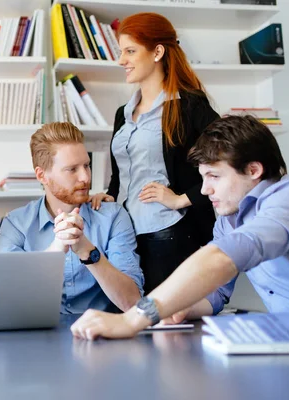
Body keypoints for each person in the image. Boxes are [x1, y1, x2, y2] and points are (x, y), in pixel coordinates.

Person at [70, 115, 289, 340]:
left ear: (253, 170)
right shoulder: (229, 219)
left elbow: (222, 258)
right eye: (203, 178)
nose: (205, 190)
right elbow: (217, 292)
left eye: (214, 176)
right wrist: (182, 307)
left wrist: (133, 318)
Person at [90, 13, 219, 294]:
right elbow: (123, 176)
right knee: (129, 320)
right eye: (121, 51)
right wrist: (109, 194)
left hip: (167, 235)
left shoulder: (189, 107)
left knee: (165, 326)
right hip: (123, 236)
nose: (121, 60)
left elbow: (230, 162)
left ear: (157, 51)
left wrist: (182, 199)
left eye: (130, 51)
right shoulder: (122, 116)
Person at [0, 122, 144, 314]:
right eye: (72, 169)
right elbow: (9, 301)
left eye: (86, 166)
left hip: (103, 335)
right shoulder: (15, 225)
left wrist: (87, 251)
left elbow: (133, 303)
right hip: (40, 336)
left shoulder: (113, 216)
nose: (85, 177)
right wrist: (57, 248)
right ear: (42, 176)